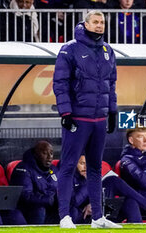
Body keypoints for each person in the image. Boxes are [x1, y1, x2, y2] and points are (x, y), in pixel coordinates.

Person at [53, 10, 120, 229]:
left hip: (98, 119)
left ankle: (98, 218)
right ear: (86, 23)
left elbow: (111, 84)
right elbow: (60, 83)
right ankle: (64, 217)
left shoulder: (108, 50)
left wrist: (112, 111)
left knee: (95, 168)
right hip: (78, 118)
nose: (100, 25)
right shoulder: (69, 49)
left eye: (102, 22)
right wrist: (65, 113)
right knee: (68, 166)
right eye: (96, 22)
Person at [71, 155, 146, 223]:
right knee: (111, 180)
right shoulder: (70, 177)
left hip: (102, 210)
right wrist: (88, 181)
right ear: (75, 164)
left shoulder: (93, 175)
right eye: (82, 163)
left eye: (88, 164)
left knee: (130, 202)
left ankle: (142, 222)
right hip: (84, 216)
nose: (85, 167)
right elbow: (74, 201)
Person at [10, 141, 59, 224]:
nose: (49, 157)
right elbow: (25, 195)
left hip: (50, 206)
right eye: (44, 153)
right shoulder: (23, 168)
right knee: (39, 209)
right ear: (35, 154)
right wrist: (48, 199)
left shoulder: (54, 169)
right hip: (28, 209)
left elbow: (59, 189)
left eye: (51, 153)